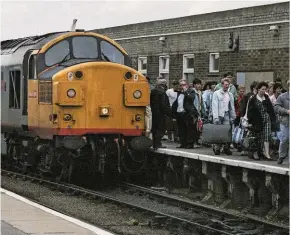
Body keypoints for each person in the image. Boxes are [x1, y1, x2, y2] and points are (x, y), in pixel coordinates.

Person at [247, 82, 276, 160]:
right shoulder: (253, 98)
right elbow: (249, 110)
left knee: (267, 136)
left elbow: (271, 109)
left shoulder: (266, 97)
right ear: (258, 89)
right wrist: (249, 120)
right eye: (262, 89)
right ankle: (257, 152)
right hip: (257, 120)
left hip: (267, 119)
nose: (264, 91)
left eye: (265, 89)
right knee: (258, 137)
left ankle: (266, 153)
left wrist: (273, 119)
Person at [212, 78, 236, 155]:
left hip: (226, 114)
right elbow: (214, 105)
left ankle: (226, 148)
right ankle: (217, 148)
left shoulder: (230, 94)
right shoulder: (216, 93)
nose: (227, 86)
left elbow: (232, 107)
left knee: (227, 132)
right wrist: (215, 117)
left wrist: (233, 117)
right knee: (219, 132)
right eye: (225, 84)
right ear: (222, 85)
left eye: (228, 85)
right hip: (219, 114)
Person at [172, 79, 199, 149]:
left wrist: (185, 92)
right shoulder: (178, 92)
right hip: (179, 113)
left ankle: (190, 144)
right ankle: (183, 143)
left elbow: (191, 98)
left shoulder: (191, 91)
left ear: (186, 85)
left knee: (190, 129)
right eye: (181, 85)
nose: (182, 86)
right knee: (181, 129)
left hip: (187, 113)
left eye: (184, 85)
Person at [150, 78, 172, 150]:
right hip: (161, 114)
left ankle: (154, 143)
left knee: (154, 129)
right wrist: (168, 112)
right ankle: (158, 144)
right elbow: (163, 104)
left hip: (153, 113)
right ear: (163, 85)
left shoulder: (152, 92)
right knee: (161, 129)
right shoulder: (162, 93)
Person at [274, 80, 290, 164]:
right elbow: (276, 107)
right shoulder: (282, 96)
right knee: (284, 139)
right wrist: (286, 111)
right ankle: (281, 155)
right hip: (285, 122)